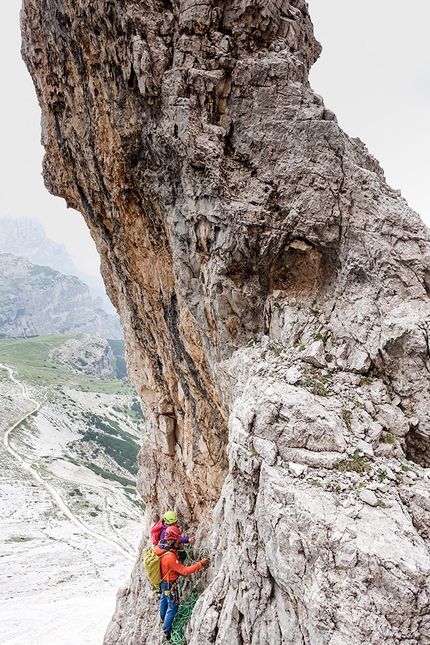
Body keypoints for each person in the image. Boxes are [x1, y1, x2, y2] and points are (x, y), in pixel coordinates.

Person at [155, 525, 208, 641]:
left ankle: (163, 617)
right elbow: (184, 571)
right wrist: (200, 564)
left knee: (164, 598)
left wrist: (178, 546)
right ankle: (166, 631)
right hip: (170, 584)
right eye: (178, 539)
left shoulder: (162, 545)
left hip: (164, 582)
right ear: (173, 540)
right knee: (173, 607)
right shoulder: (170, 557)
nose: (179, 541)